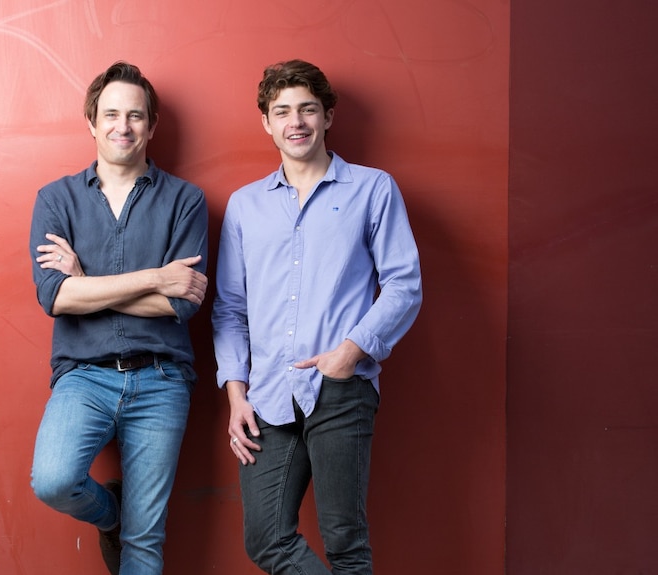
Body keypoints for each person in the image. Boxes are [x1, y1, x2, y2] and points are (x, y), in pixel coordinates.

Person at [211, 59, 422, 574]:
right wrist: (236, 394)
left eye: (307, 109)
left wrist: (351, 352)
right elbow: (229, 308)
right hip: (266, 396)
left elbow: (404, 284)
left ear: (328, 116)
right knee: (266, 539)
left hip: (340, 389)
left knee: (345, 543)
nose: (295, 121)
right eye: (282, 111)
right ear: (266, 122)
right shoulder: (244, 206)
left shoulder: (372, 189)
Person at [29, 61, 208, 575]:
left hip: (162, 378)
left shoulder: (185, 201)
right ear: (91, 122)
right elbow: (55, 298)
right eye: (110, 114)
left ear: (151, 126)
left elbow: (182, 305)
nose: (122, 126)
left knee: (145, 543)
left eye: (135, 116)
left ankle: (128, 528)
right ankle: (111, 516)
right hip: (82, 377)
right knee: (54, 481)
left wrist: (86, 282)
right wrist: (155, 278)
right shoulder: (55, 200)